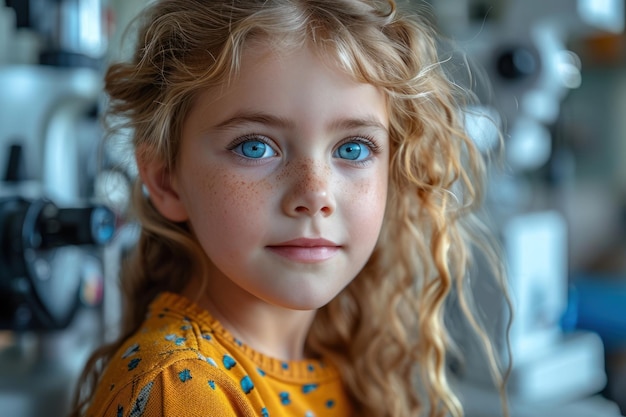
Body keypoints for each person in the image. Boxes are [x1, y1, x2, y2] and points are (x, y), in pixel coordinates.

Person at [71, 0, 509, 416]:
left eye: (354, 149)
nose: (315, 194)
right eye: (256, 146)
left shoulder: (344, 359)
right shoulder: (180, 390)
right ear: (165, 178)